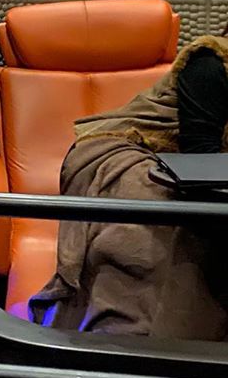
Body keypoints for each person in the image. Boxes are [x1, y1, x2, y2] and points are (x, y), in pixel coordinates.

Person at [29, 33, 228, 338]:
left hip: (193, 168)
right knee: (161, 222)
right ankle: (127, 338)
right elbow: (203, 158)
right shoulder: (210, 62)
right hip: (127, 152)